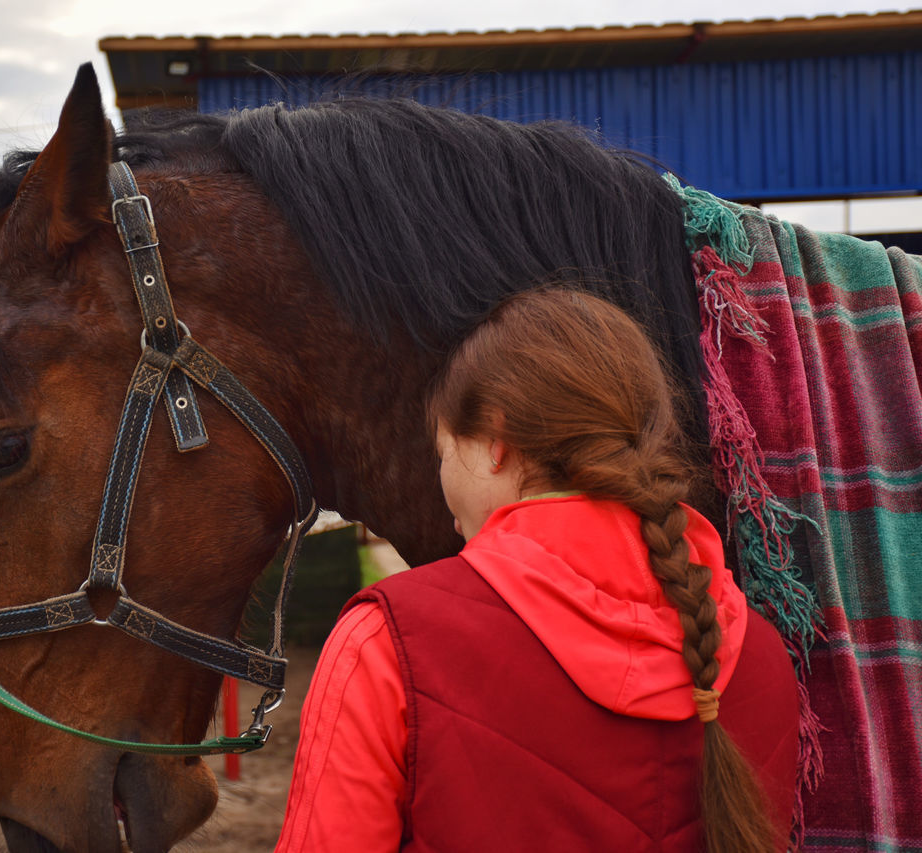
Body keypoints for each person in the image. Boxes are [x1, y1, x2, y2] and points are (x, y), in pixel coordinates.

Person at [275, 288, 799, 852]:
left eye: (445, 451)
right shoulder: (761, 654)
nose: (447, 505)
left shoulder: (384, 644)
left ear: (496, 440)